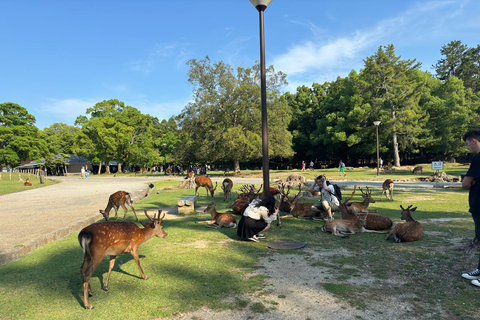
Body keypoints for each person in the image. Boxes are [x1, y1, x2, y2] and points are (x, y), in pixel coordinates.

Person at [461, 130, 480, 286]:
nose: (467, 147)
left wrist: (472, 183)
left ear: (474, 141)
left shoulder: (478, 159)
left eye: (467, 144)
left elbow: (465, 183)